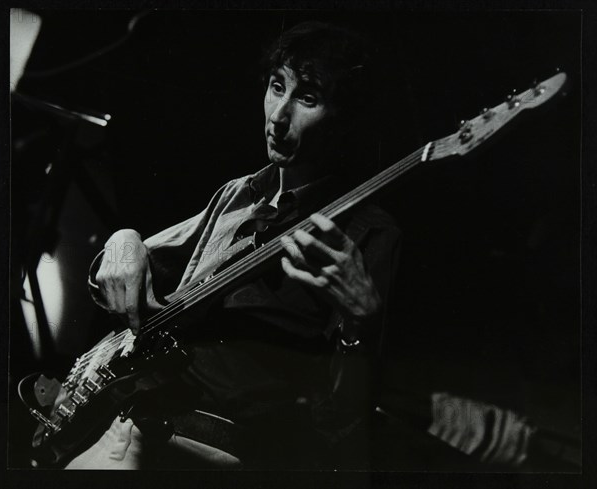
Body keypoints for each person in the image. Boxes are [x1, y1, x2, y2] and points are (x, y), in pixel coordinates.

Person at [64, 20, 401, 470]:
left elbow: (343, 420)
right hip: (137, 418)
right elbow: (138, 261)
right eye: (277, 86)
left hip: (216, 446)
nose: (279, 116)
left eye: (307, 98)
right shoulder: (239, 193)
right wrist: (123, 241)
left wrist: (363, 321)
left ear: (344, 117)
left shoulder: (369, 232)